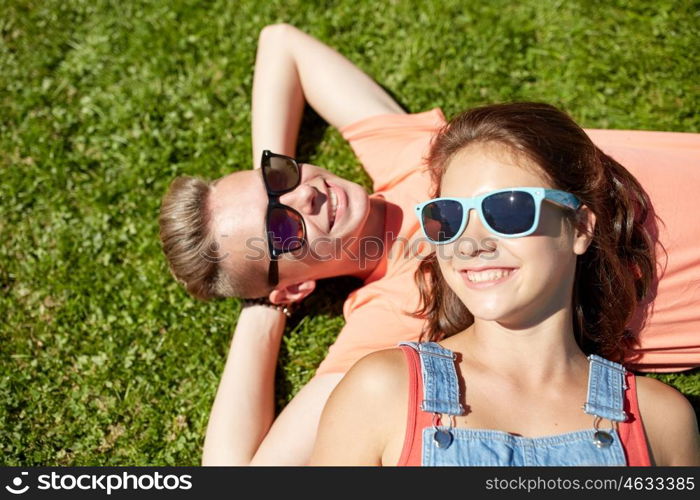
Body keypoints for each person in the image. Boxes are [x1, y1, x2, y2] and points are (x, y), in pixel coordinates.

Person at [158, 24, 700, 465]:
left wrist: (270, 191)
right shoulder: (388, 320)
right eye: (282, 231)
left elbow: (280, 44)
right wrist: (260, 312)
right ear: (292, 288)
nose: (308, 198)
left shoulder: (406, 153)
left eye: (282, 176)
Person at [309, 102, 700, 466]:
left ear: (580, 227)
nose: (471, 243)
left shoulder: (659, 421)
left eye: (509, 210)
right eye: (449, 217)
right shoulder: (382, 391)